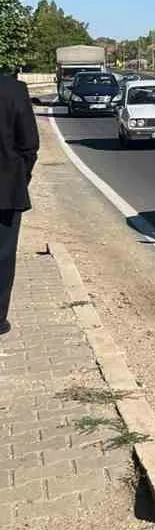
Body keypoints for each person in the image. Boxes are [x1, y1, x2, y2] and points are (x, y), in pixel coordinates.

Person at [0, 72, 40, 335]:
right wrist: (19, 179)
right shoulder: (14, 90)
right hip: (6, 190)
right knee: (3, 257)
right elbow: (29, 146)